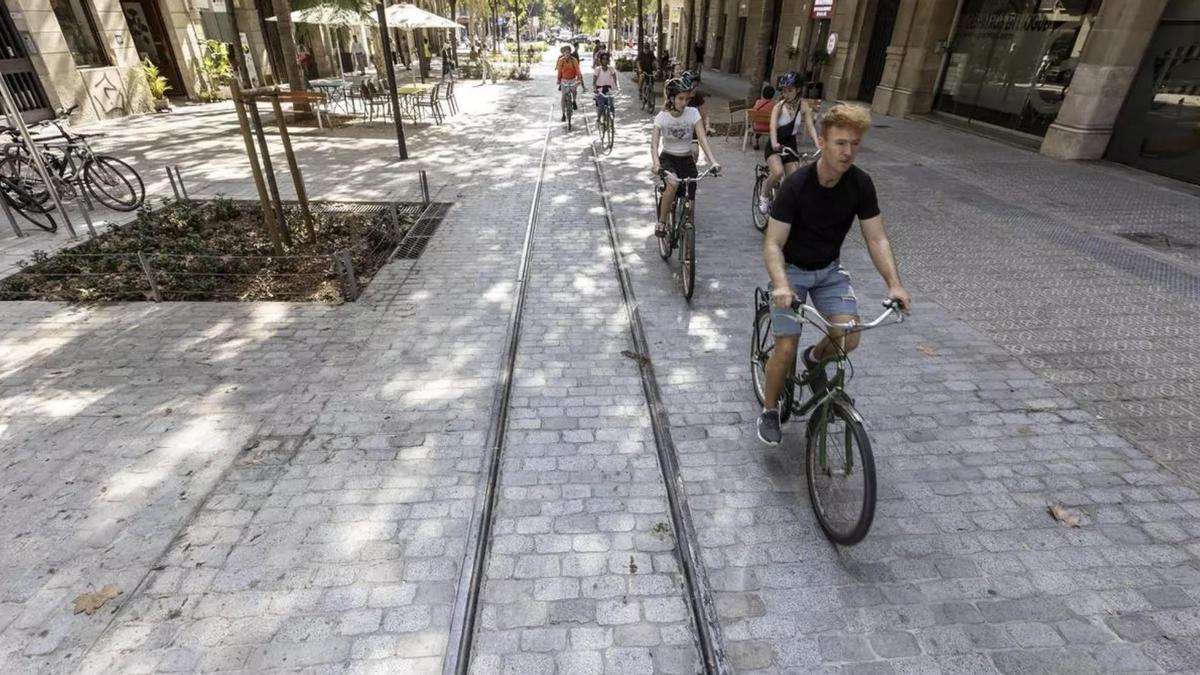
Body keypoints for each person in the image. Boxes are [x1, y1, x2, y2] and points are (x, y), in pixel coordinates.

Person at [755, 104, 912, 446]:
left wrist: (894, 284)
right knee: (785, 345)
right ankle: (769, 410)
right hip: (791, 272)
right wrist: (781, 284)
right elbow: (772, 244)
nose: (848, 152)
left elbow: (876, 237)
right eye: (840, 143)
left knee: (849, 335)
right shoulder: (796, 185)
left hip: (828, 271)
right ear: (822, 142)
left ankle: (814, 359)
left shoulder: (860, 184)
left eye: (855, 144)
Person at [650, 77, 721, 239]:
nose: (684, 102)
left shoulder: (693, 113)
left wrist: (713, 161)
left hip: (686, 159)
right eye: (680, 98)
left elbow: (702, 139)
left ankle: (687, 227)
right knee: (673, 183)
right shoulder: (662, 117)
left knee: (691, 191)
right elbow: (654, 144)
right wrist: (655, 163)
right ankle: (661, 221)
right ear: (672, 98)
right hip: (668, 158)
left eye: (687, 99)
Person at [759, 72, 819, 215]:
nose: (786, 93)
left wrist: (818, 144)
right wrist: (774, 143)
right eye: (784, 90)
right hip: (776, 144)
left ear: (798, 89)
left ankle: (785, 203)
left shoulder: (803, 105)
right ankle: (764, 194)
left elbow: (810, 126)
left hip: (791, 144)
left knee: (796, 179)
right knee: (778, 172)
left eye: (790, 90)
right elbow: (772, 127)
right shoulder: (778, 107)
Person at [556, 44, 585, 122]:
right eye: (565, 53)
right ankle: (563, 114)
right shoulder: (561, 60)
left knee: (574, 91)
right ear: (563, 53)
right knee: (563, 96)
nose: (567, 54)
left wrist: (578, 79)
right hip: (564, 80)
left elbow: (578, 70)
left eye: (568, 53)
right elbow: (559, 71)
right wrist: (558, 80)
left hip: (572, 79)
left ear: (570, 52)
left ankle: (574, 101)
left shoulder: (574, 60)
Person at [593, 51, 619, 115]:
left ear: (608, 60)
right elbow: (594, 82)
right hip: (600, 90)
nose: (605, 61)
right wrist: (595, 89)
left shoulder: (611, 69)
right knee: (601, 107)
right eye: (603, 59)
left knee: (612, 106)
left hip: (609, 90)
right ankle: (598, 120)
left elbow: (616, 80)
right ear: (601, 60)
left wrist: (618, 87)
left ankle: (612, 121)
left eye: (606, 59)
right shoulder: (597, 69)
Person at [751, 85, 776, 150]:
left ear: (763, 93)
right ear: (773, 95)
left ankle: (756, 141)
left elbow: (753, 112)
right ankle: (772, 143)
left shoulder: (758, 102)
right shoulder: (774, 105)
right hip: (769, 128)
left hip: (757, 127)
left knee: (758, 122)